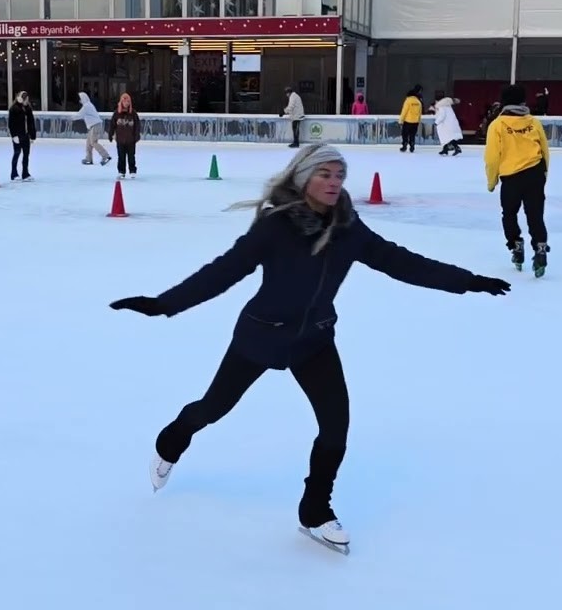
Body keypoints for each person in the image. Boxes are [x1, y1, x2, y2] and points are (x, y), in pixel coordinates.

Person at [107, 143, 512, 552]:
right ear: (304, 177)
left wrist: (468, 280)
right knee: (213, 408)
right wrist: (164, 305)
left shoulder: (348, 229)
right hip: (260, 336)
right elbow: (224, 271)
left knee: (335, 426)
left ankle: (314, 510)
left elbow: (402, 262)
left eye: (340, 176)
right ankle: (171, 441)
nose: (334, 183)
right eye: (325, 174)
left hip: (313, 340)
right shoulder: (274, 227)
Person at [485, 84, 551, 276]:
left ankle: (516, 245)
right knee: (535, 215)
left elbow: (491, 157)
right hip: (535, 173)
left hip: (511, 178)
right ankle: (540, 249)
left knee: (509, 214)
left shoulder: (497, 125)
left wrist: (491, 181)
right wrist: (544, 175)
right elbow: (545, 150)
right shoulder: (533, 122)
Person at [108, 92, 141, 179]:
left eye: (128, 102)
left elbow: (137, 125)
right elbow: (112, 124)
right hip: (120, 139)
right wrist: (110, 134)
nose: (126, 103)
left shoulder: (133, 113)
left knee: (131, 156)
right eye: (125, 101)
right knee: (121, 156)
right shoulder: (117, 113)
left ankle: (132, 170)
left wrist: (137, 135)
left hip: (131, 139)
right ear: (121, 102)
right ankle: (121, 171)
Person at [8, 90, 37, 181]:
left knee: (26, 155)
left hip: (26, 135)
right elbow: (11, 123)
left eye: (27, 99)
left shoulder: (28, 109)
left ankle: (25, 173)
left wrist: (32, 136)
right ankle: (14, 173)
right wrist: (14, 135)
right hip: (18, 136)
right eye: (25, 99)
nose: (26, 101)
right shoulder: (14, 109)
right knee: (17, 153)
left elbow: (31, 123)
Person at [76, 91, 111, 166]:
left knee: (93, 142)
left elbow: (79, 115)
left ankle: (106, 156)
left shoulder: (87, 106)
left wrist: (70, 118)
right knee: (88, 143)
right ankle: (89, 159)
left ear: (83, 98)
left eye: (80, 99)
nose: (79, 101)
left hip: (95, 125)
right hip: (92, 126)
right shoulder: (88, 105)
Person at [432, 90, 463, 156]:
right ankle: (445, 149)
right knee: (447, 137)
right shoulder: (447, 105)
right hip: (449, 123)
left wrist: (436, 122)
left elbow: (442, 115)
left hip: (445, 124)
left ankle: (457, 148)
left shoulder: (441, 106)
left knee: (448, 137)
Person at [398, 86, 423, 152]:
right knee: (412, 134)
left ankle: (405, 144)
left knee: (405, 134)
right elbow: (420, 112)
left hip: (407, 121)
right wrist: (419, 120)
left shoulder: (408, 101)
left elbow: (404, 111)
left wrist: (401, 120)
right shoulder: (418, 102)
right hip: (415, 122)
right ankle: (412, 145)